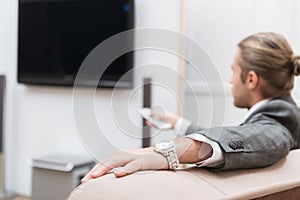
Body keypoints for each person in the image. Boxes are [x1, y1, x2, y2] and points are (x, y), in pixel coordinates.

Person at [81, 32, 300, 183]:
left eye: (234, 71)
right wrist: (179, 124)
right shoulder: (285, 112)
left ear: (251, 79)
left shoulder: (279, 124)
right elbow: (243, 136)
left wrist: (164, 152)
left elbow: (266, 138)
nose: (231, 80)